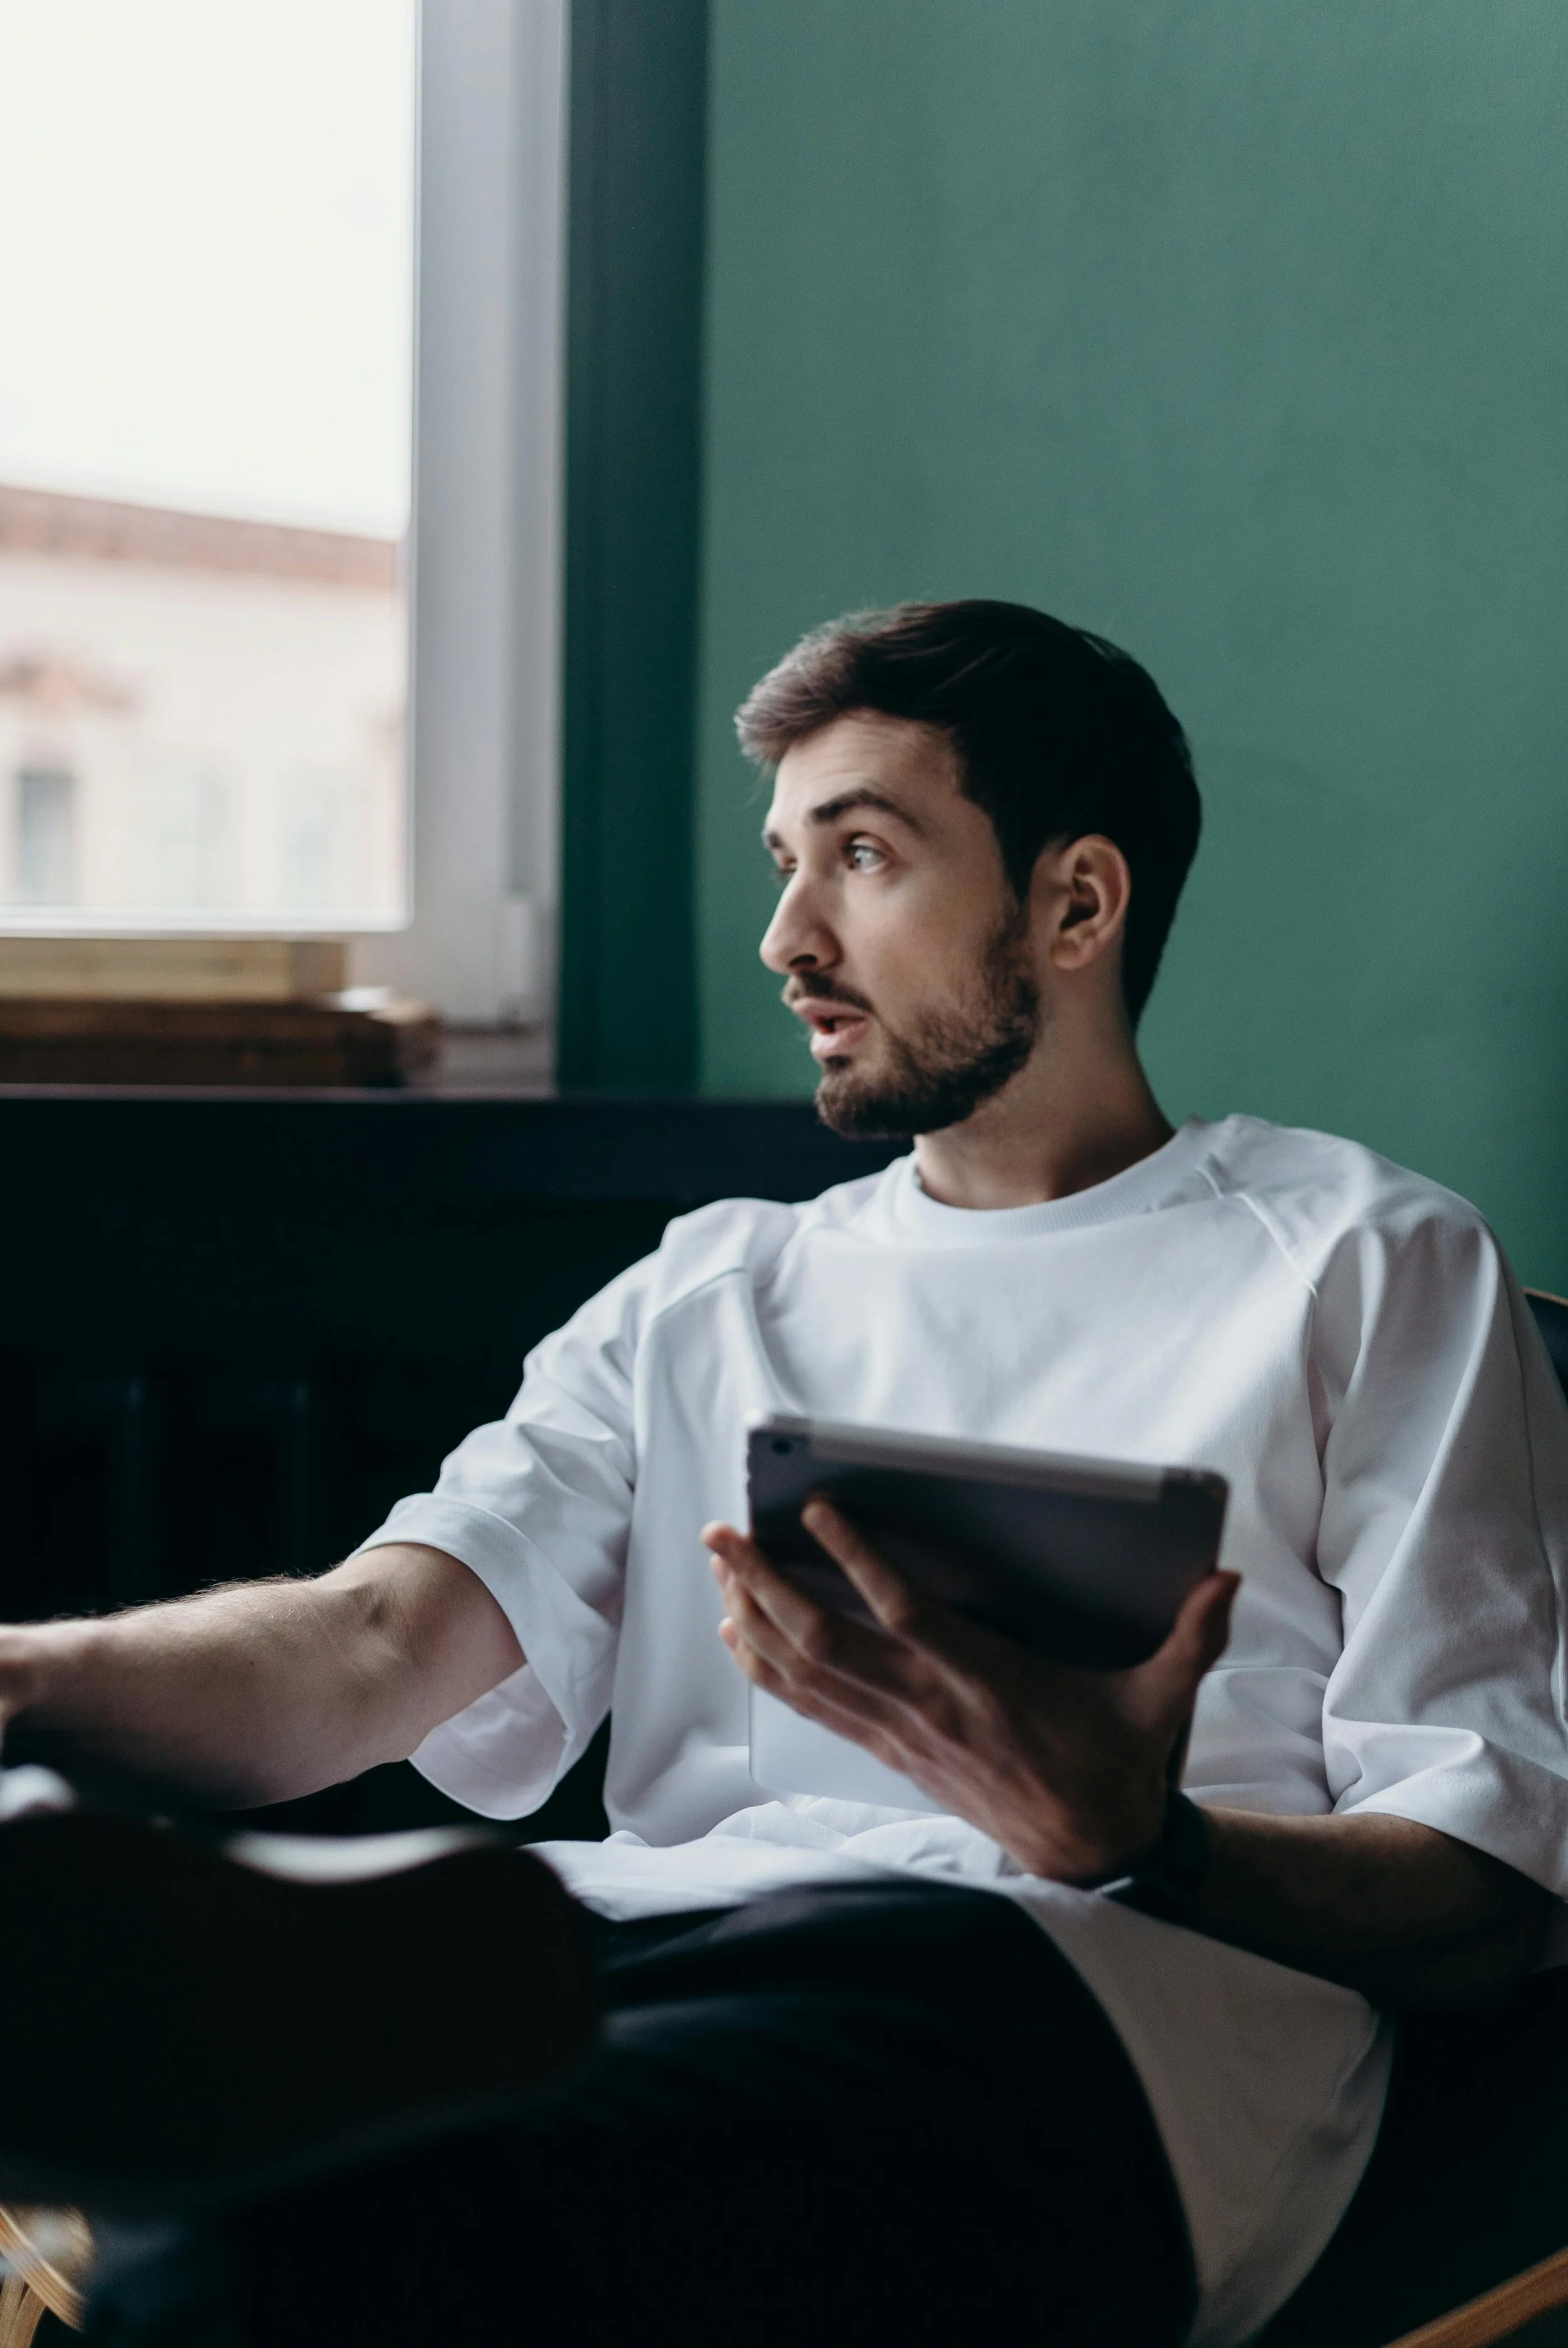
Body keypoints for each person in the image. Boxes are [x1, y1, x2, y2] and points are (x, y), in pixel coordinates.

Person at [3, 600, 1566, 2348]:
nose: (786, 937)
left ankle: (220, 2058)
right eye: (780, 862)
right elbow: (374, 1643)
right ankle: (209, 2015)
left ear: (1074, 903)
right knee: (296, 2224)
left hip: (1055, 1998)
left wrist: (1146, 1839)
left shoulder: (1361, 1258)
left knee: (324, 2239)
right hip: (636, 1953)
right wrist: (25, 1676)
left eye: (863, 856)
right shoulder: (712, 1287)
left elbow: (1480, 1893)